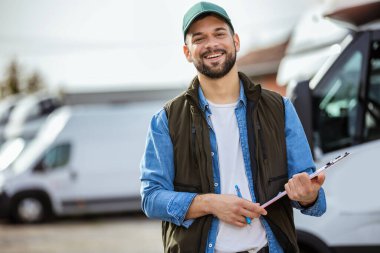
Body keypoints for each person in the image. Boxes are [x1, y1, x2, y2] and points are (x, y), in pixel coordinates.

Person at [140, 2, 326, 253]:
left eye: (219, 34)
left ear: (235, 41)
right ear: (187, 52)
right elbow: (151, 197)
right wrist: (211, 203)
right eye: (199, 38)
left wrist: (307, 195)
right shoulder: (166, 119)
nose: (211, 44)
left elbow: (312, 197)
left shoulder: (279, 108)